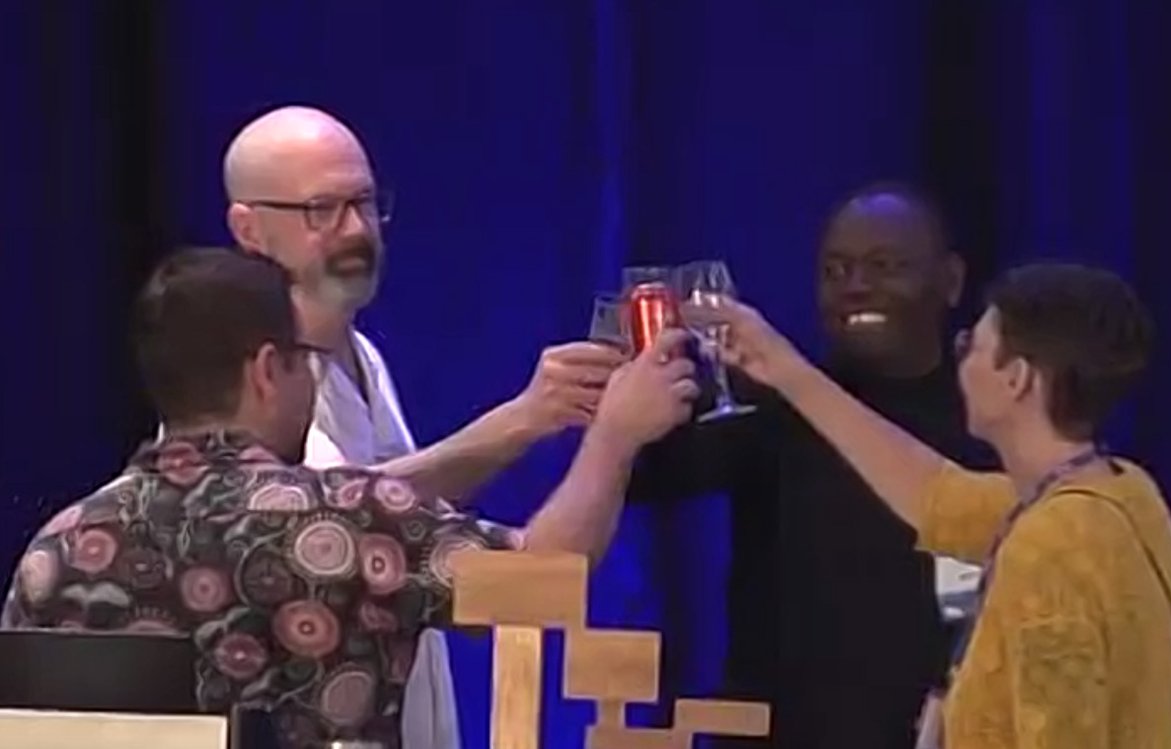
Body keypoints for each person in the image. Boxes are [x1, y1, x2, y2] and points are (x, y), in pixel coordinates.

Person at [2, 247, 699, 749]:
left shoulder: (55, 551)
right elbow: (546, 580)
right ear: (268, 370)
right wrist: (616, 434)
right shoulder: (346, 519)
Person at [221, 105, 626, 745]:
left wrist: (542, 415)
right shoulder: (242, 378)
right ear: (248, 229)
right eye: (321, 210)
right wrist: (537, 421)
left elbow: (398, 507)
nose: (354, 230)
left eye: (364, 202)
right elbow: (328, 524)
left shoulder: (365, 358)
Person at [692, 261, 1171, 748]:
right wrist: (785, 369)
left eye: (972, 346)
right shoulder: (1122, 495)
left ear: (1016, 379)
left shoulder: (1050, 546)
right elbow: (938, 497)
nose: (960, 361)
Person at [628, 183, 993, 748]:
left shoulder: (988, 424)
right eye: (835, 270)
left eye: (884, 265)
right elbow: (644, 478)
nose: (856, 287)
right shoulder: (769, 409)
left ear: (950, 281)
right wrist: (628, 411)